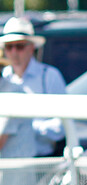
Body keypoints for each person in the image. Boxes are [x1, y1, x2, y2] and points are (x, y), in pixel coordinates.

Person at [0, 17, 67, 157]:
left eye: (19, 46)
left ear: (31, 47)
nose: (13, 52)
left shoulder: (49, 76)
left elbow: (62, 125)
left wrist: (27, 127)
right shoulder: (4, 78)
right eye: (9, 46)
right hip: (11, 161)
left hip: (42, 160)